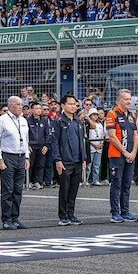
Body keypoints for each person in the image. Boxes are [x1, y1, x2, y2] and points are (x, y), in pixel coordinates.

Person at [0, 96, 30, 230]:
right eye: (17, 104)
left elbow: (25, 139)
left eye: (21, 105)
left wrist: (27, 156)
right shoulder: (1, 120)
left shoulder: (23, 120)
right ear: (9, 106)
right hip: (8, 156)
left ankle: (15, 218)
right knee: (8, 189)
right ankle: (7, 219)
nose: (20, 107)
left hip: (20, 156)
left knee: (18, 189)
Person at [50, 94, 87, 226]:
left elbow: (82, 141)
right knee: (64, 189)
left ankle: (71, 214)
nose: (73, 107)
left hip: (77, 160)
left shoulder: (78, 121)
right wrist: (58, 160)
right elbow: (54, 142)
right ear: (63, 105)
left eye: (75, 104)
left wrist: (83, 159)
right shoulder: (59, 122)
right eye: (70, 104)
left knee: (74, 189)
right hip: (65, 161)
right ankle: (63, 215)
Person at [105, 89, 138, 223]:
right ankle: (115, 213)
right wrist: (125, 152)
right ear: (119, 100)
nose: (129, 101)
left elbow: (136, 135)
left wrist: (133, 153)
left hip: (130, 155)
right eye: (126, 99)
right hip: (117, 155)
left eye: (130, 99)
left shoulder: (131, 115)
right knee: (116, 184)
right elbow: (112, 136)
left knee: (127, 184)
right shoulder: (112, 114)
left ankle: (125, 211)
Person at [27, 101, 49, 189]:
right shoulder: (27, 121)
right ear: (32, 110)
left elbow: (47, 134)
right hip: (31, 146)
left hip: (41, 146)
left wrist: (46, 145)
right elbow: (25, 134)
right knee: (30, 164)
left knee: (40, 165)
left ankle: (38, 181)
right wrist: (27, 145)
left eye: (40, 108)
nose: (39, 110)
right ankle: (28, 181)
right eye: (36, 108)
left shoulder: (44, 121)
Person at [87, 108, 105, 185]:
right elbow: (88, 137)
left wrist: (101, 143)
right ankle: (86, 179)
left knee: (97, 165)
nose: (95, 116)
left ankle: (95, 180)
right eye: (93, 114)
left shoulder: (100, 124)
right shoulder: (88, 124)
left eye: (96, 114)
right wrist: (94, 144)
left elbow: (102, 135)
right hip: (91, 147)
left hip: (99, 147)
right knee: (89, 165)